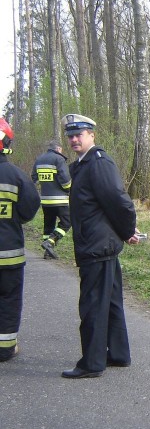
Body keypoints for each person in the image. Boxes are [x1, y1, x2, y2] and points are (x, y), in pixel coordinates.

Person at [61, 113, 140, 379]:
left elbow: (119, 202)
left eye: (79, 134)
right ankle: (118, 354)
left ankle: (91, 363)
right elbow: (104, 206)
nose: (73, 139)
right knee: (111, 302)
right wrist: (124, 232)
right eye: (70, 135)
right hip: (100, 244)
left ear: (92, 135)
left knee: (93, 305)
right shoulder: (84, 164)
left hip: (96, 247)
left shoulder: (98, 163)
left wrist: (127, 230)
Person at [0, 117, 41, 362]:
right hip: (9, 255)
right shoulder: (16, 176)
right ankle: (5, 348)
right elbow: (29, 209)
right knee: (9, 299)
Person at [31, 139, 72, 259]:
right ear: (58, 149)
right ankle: (50, 242)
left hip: (45, 200)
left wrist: (44, 186)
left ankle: (47, 252)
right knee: (67, 222)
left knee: (48, 225)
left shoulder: (39, 159)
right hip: (60, 200)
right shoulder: (59, 159)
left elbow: (34, 178)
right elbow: (65, 180)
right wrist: (68, 189)